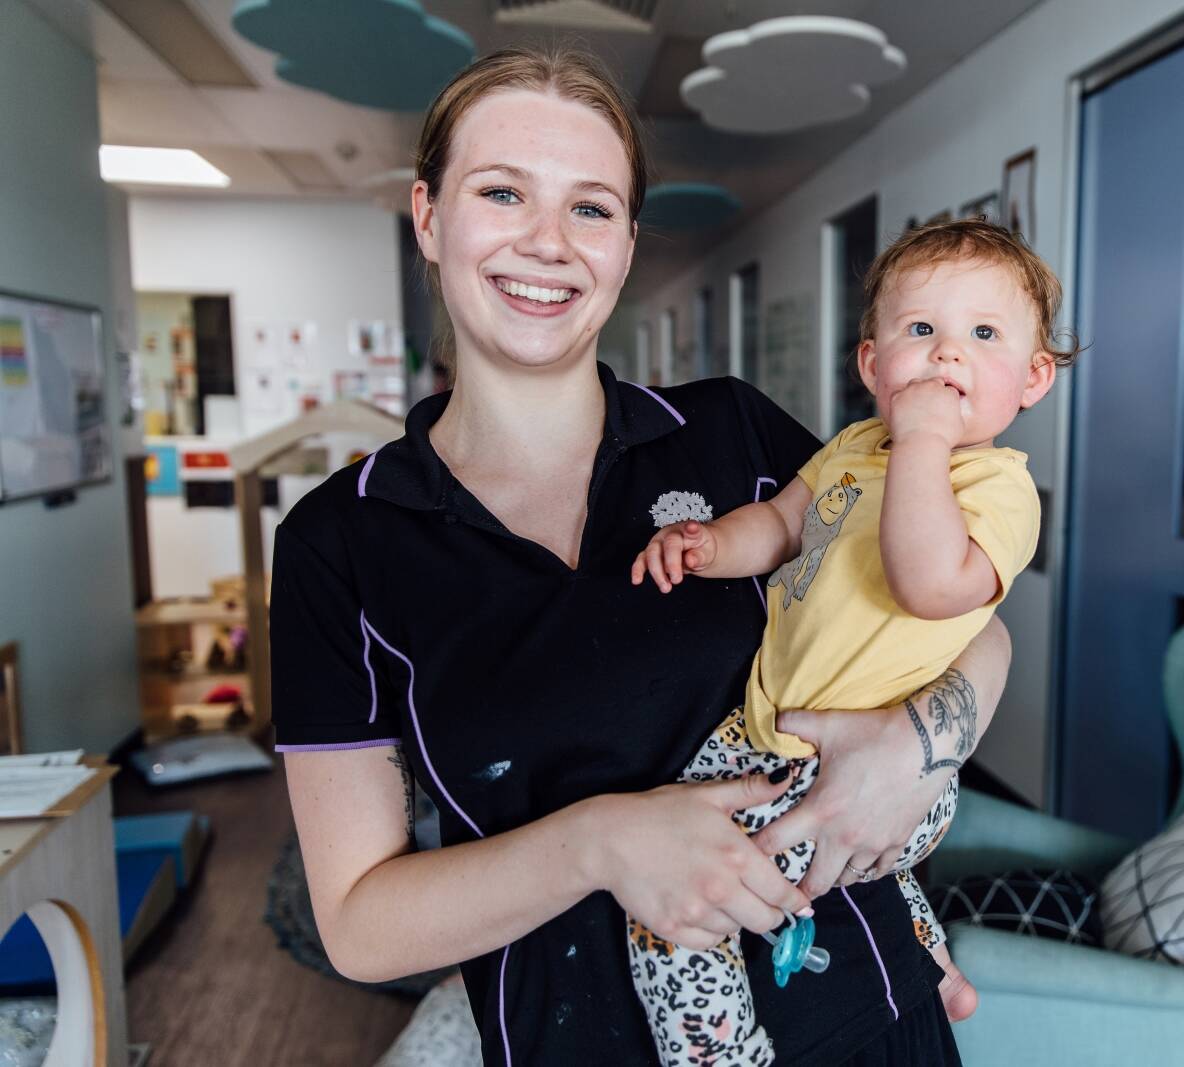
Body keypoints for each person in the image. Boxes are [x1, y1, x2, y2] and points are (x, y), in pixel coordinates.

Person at [271, 46, 1016, 1066]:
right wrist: (599, 842)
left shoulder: (736, 437)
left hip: (869, 1017)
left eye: (591, 207)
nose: (548, 242)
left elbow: (969, 620)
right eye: (502, 192)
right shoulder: (340, 541)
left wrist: (914, 751)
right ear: (430, 217)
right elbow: (360, 924)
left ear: (625, 245)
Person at [629, 218, 1074, 1064]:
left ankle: (720, 1054)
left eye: (984, 334)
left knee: (678, 900)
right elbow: (781, 523)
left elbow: (926, 583)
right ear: (873, 365)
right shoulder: (854, 448)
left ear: (1033, 377)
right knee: (808, 861)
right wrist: (710, 543)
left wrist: (925, 441)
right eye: (921, 329)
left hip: (867, 755)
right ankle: (932, 958)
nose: (947, 354)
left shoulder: (999, 489)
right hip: (775, 732)